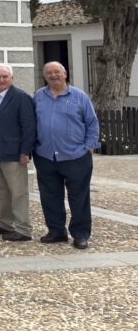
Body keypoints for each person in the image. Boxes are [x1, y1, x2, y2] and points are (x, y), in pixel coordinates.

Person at [33, 61, 100, 250]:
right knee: (49, 196)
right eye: (49, 73)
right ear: (45, 76)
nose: (53, 75)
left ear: (65, 74)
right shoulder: (38, 96)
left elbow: (92, 123)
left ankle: (80, 234)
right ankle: (56, 232)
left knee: (78, 197)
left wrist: (89, 147)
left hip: (76, 156)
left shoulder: (79, 96)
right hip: (45, 156)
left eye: (57, 72)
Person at [0, 65, 36, 242]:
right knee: (0, 191)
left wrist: (25, 151)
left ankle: (23, 229)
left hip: (13, 153)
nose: (1, 80)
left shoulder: (21, 97)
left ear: (12, 78)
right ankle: (5, 223)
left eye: (5, 76)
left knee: (18, 192)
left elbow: (28, 127)